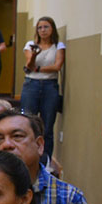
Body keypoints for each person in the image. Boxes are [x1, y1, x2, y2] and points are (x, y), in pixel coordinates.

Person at [21, 16, 65, 157]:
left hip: (49, 85)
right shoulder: (30, 45)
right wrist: (34, 55)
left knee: (47, 126)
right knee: (28, 122)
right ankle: (27, 155)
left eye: (46, 27)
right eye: (40, 27)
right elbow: (29, 65)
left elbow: (57, 66)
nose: (43, 30)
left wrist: (38, 69)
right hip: (31, 84)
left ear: (52, 29)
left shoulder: (58, 46)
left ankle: (45, 160)